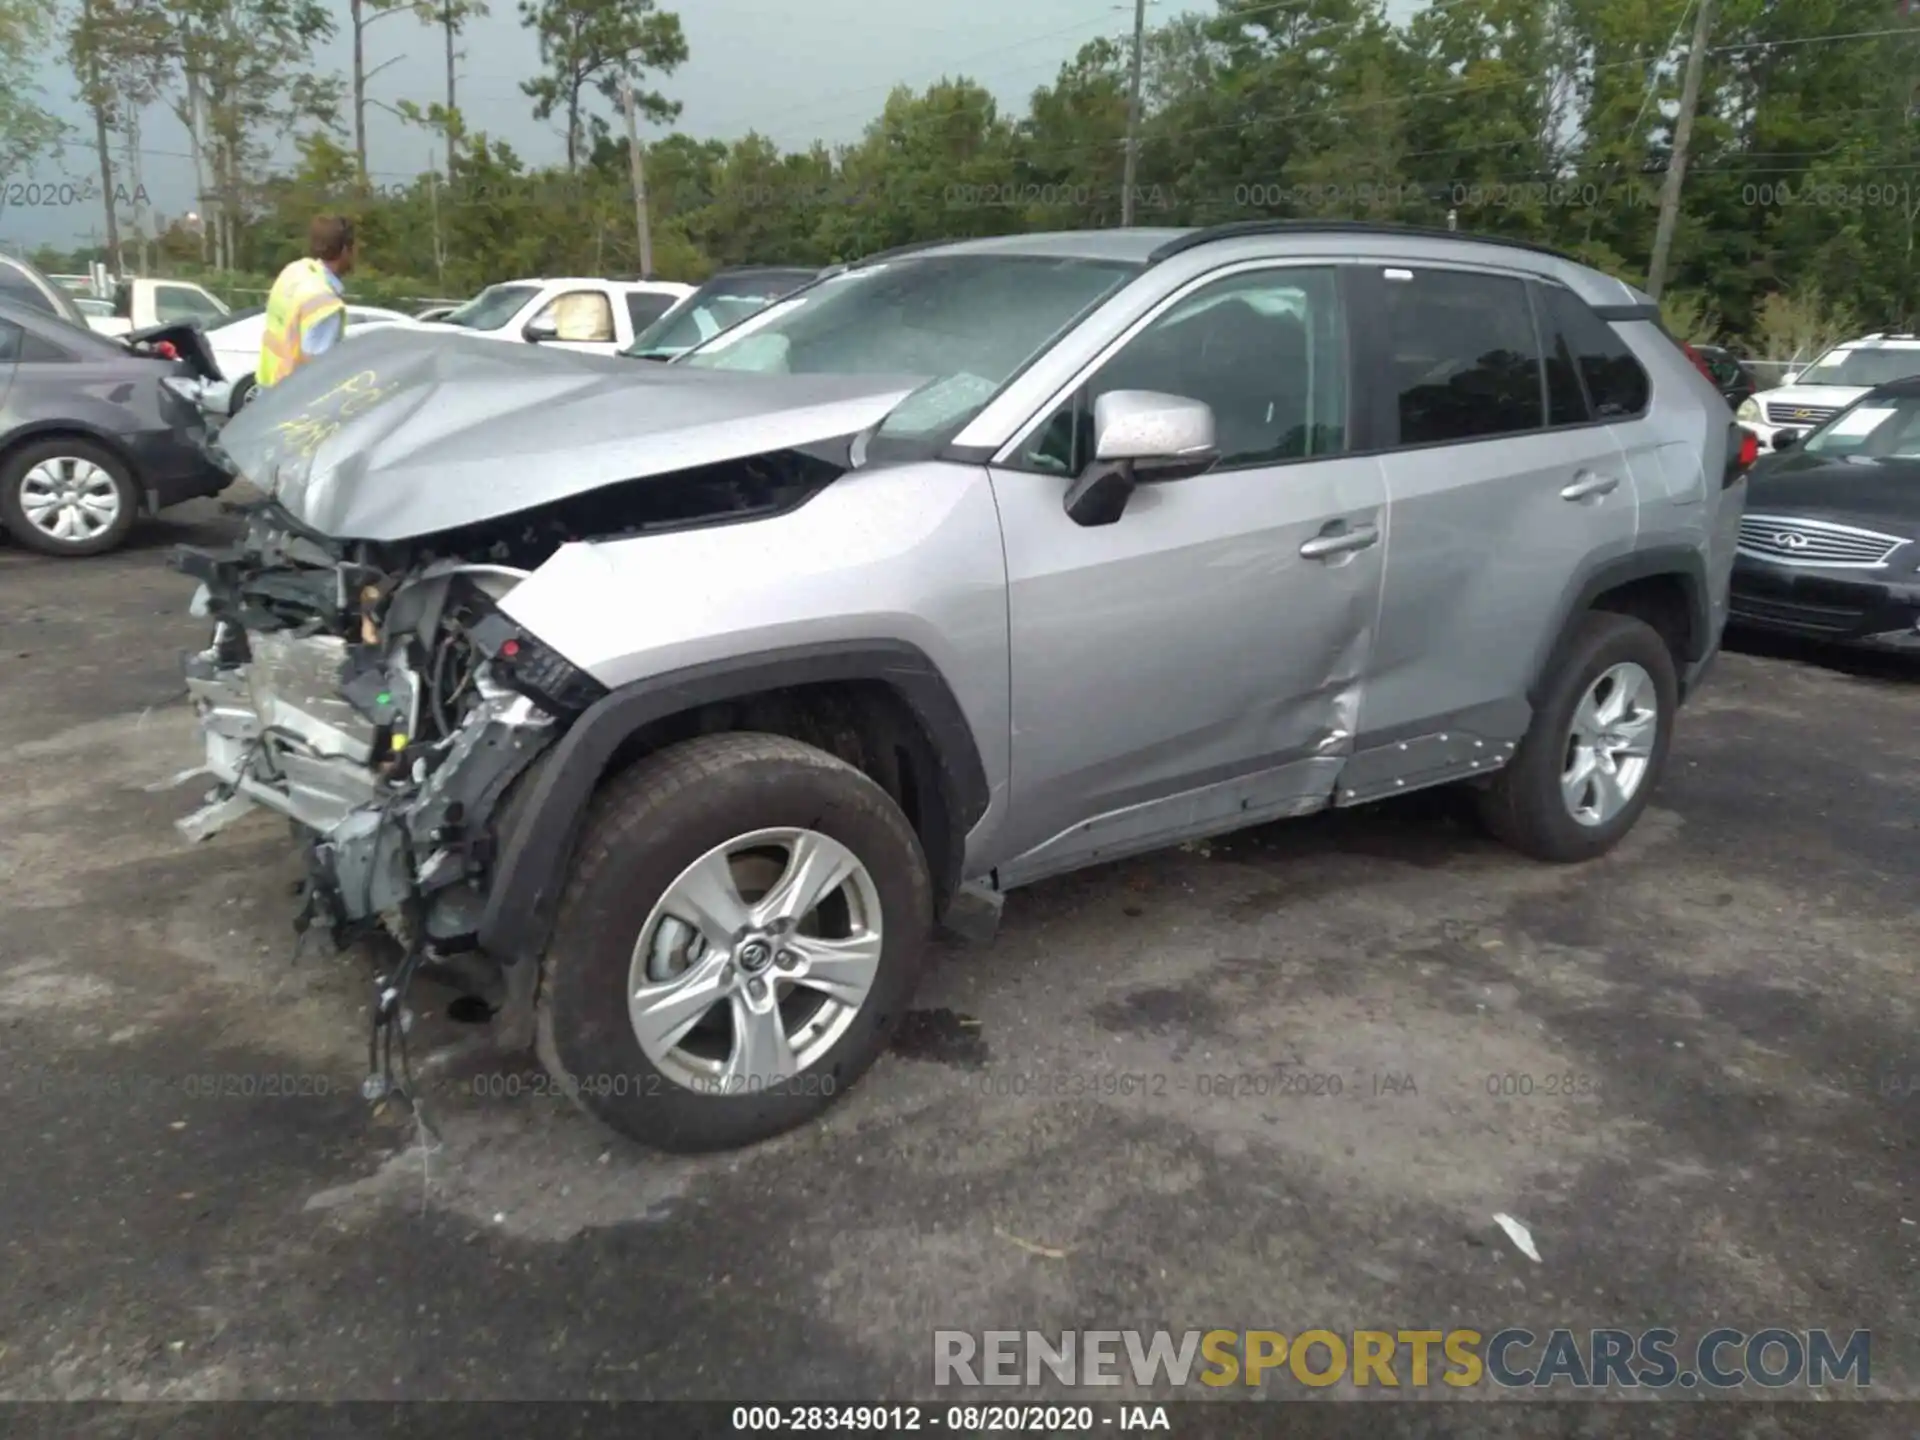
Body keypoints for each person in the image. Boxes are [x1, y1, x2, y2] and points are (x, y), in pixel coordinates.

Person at [255, 215, 356, 390]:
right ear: (346, 250)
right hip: (293, 398)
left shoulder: (294, 272)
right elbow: (318, 372)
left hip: (269, 386)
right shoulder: (324, 303)